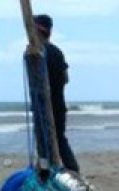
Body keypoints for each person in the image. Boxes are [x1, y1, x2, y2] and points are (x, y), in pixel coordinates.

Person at [31, 14, 80, 174]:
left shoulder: (37, 53)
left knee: (44, 143)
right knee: (59, 139)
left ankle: (48, 173)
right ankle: (72, 170)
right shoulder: (57, 52)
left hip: (44, 107)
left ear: (38, 30)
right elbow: (66, 78)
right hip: (59, 105)